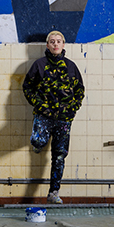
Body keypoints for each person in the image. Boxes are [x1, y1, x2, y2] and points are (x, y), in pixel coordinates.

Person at [22, 30, 85, 204]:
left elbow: (80, 90)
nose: (55, 44)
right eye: (52, 41)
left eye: (58, 41)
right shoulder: (39, 65)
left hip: (64, 119)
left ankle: (53, 192)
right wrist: (39, 105)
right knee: (38, 141)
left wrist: (73, 109)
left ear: (63, 45)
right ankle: (38, 144)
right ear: (47, 45)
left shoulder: (71, 67)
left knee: (59, 156)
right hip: (44, 115)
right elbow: (27, 87)